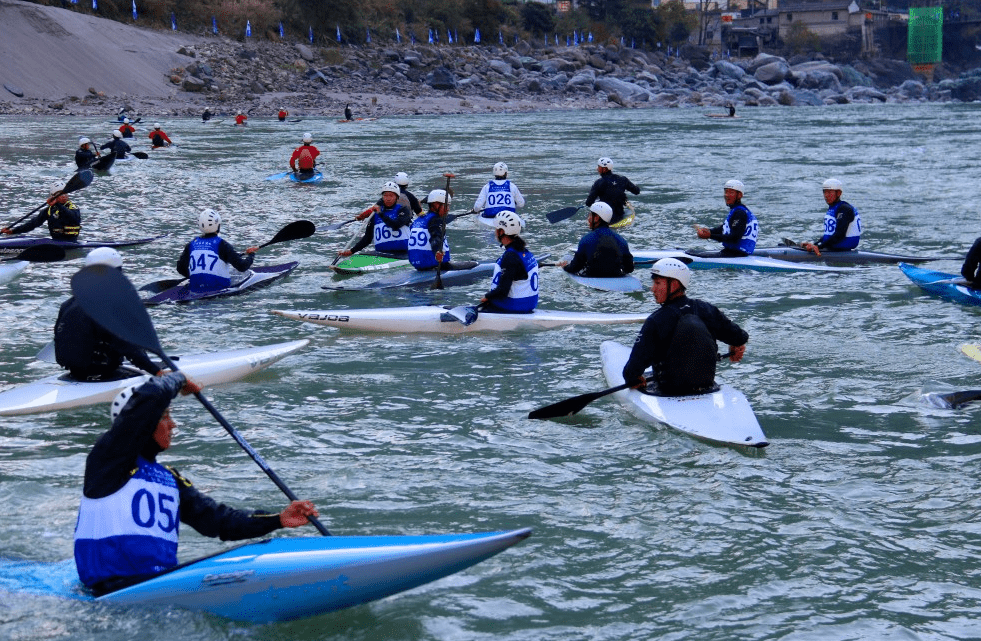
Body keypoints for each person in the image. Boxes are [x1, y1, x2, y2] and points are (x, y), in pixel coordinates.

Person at [74, 372, 320, 595]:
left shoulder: (169, 478)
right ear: (142, 422)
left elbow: (219, 522)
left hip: (157, 583)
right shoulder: (107, 463)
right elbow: (151, 397)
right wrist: (178, 379)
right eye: (165, 417)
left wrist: (277, 520)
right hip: (109, 590)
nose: (173, 425)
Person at [622, 258, 748, 397]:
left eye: (657, 283)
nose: (653, 289)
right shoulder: (706, 309)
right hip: (706, 386)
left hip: (667, 389)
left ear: (674, 284)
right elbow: (739, 337)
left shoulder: (656, 320)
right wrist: (737, 346)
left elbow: (632, 370)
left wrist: (633, 379)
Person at [54, 248, 163, 381]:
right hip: (101, 375)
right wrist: (157, 372)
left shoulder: (68, 303)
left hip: (74, 373)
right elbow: (130, 348)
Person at [176, 209, 258, 292]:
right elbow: (242, 267)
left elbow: (180, 268)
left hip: (195, 287)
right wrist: (251, 255)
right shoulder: (222, 245)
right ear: (218, 226)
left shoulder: (191, 245)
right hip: (219, 288)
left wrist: (196, 277)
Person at [479, 211, 539, 313]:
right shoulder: (524, 252)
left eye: (496, 229)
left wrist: (487, 296)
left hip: (513, 306)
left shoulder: (510, 256)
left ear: (501, 232)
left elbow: (503, 291)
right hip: (530, 304)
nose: (495, 232)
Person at [557, 201, 634, 278]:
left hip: (592, 277)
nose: (588, 218)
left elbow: (575, 267)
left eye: (590, 215)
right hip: (617, 276)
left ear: (596, 218)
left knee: (568, 257)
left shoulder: (586, 239)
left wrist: (565, 267)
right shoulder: (621, 239)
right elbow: (629, 268)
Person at [337, 182, 413, 257]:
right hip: (381, 254)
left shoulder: (403, 210)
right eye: (385, 195)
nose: (388, 198)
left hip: (404, 253)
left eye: (391, 196)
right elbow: (368, 238)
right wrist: (352, 251)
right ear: (382, 197)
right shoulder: (374, 214)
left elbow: (395, 225)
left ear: (397, 197)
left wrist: (380, 213)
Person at [408, 189, 471, 271]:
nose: (448, 209)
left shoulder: (418, 220)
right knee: (473, 264)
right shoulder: (436, 220)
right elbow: (436, 238)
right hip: (437, 264)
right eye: (446, 206)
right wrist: (437, 252)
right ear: (436, 205)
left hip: (418, 265)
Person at [694, 179, 759, 257]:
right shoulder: (739, 210)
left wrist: (710, 236)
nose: (727, 195)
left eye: (731, 192)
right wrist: (708, 232)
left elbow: (734, 238)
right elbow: (722, 230)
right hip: (736, 253)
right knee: (694, 252)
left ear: (739, 195)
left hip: (736, 254)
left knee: (693, 254)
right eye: (726, 192)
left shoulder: (740, 213)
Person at [800, 178, 861, 256]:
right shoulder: (834, 208)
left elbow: (839, 235)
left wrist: (819, 246)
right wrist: (815, 244)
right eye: (824, 192)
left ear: (838, 193)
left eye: (829, 192)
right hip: (834, 248)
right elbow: (830, 234)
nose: (826, 195)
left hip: (842, 251)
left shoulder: (845, 209)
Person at [1, 183, 81, 241]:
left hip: (70, 241)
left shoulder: (73, 207)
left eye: (65, 193)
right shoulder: (49, 210)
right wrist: (13, 231)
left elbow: (72, 217)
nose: (64, 196)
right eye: (60, 194)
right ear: (53, 197)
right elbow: (33, 224)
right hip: (56, 241)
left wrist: (57, 205)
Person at [585, 157, 640, 225]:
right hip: (619, 215)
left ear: (604, 169)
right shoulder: (623, 179)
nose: (597, 168)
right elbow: (637, 191)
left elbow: (588, 203)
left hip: (604, 217)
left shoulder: (598, 183)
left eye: (598, 167)